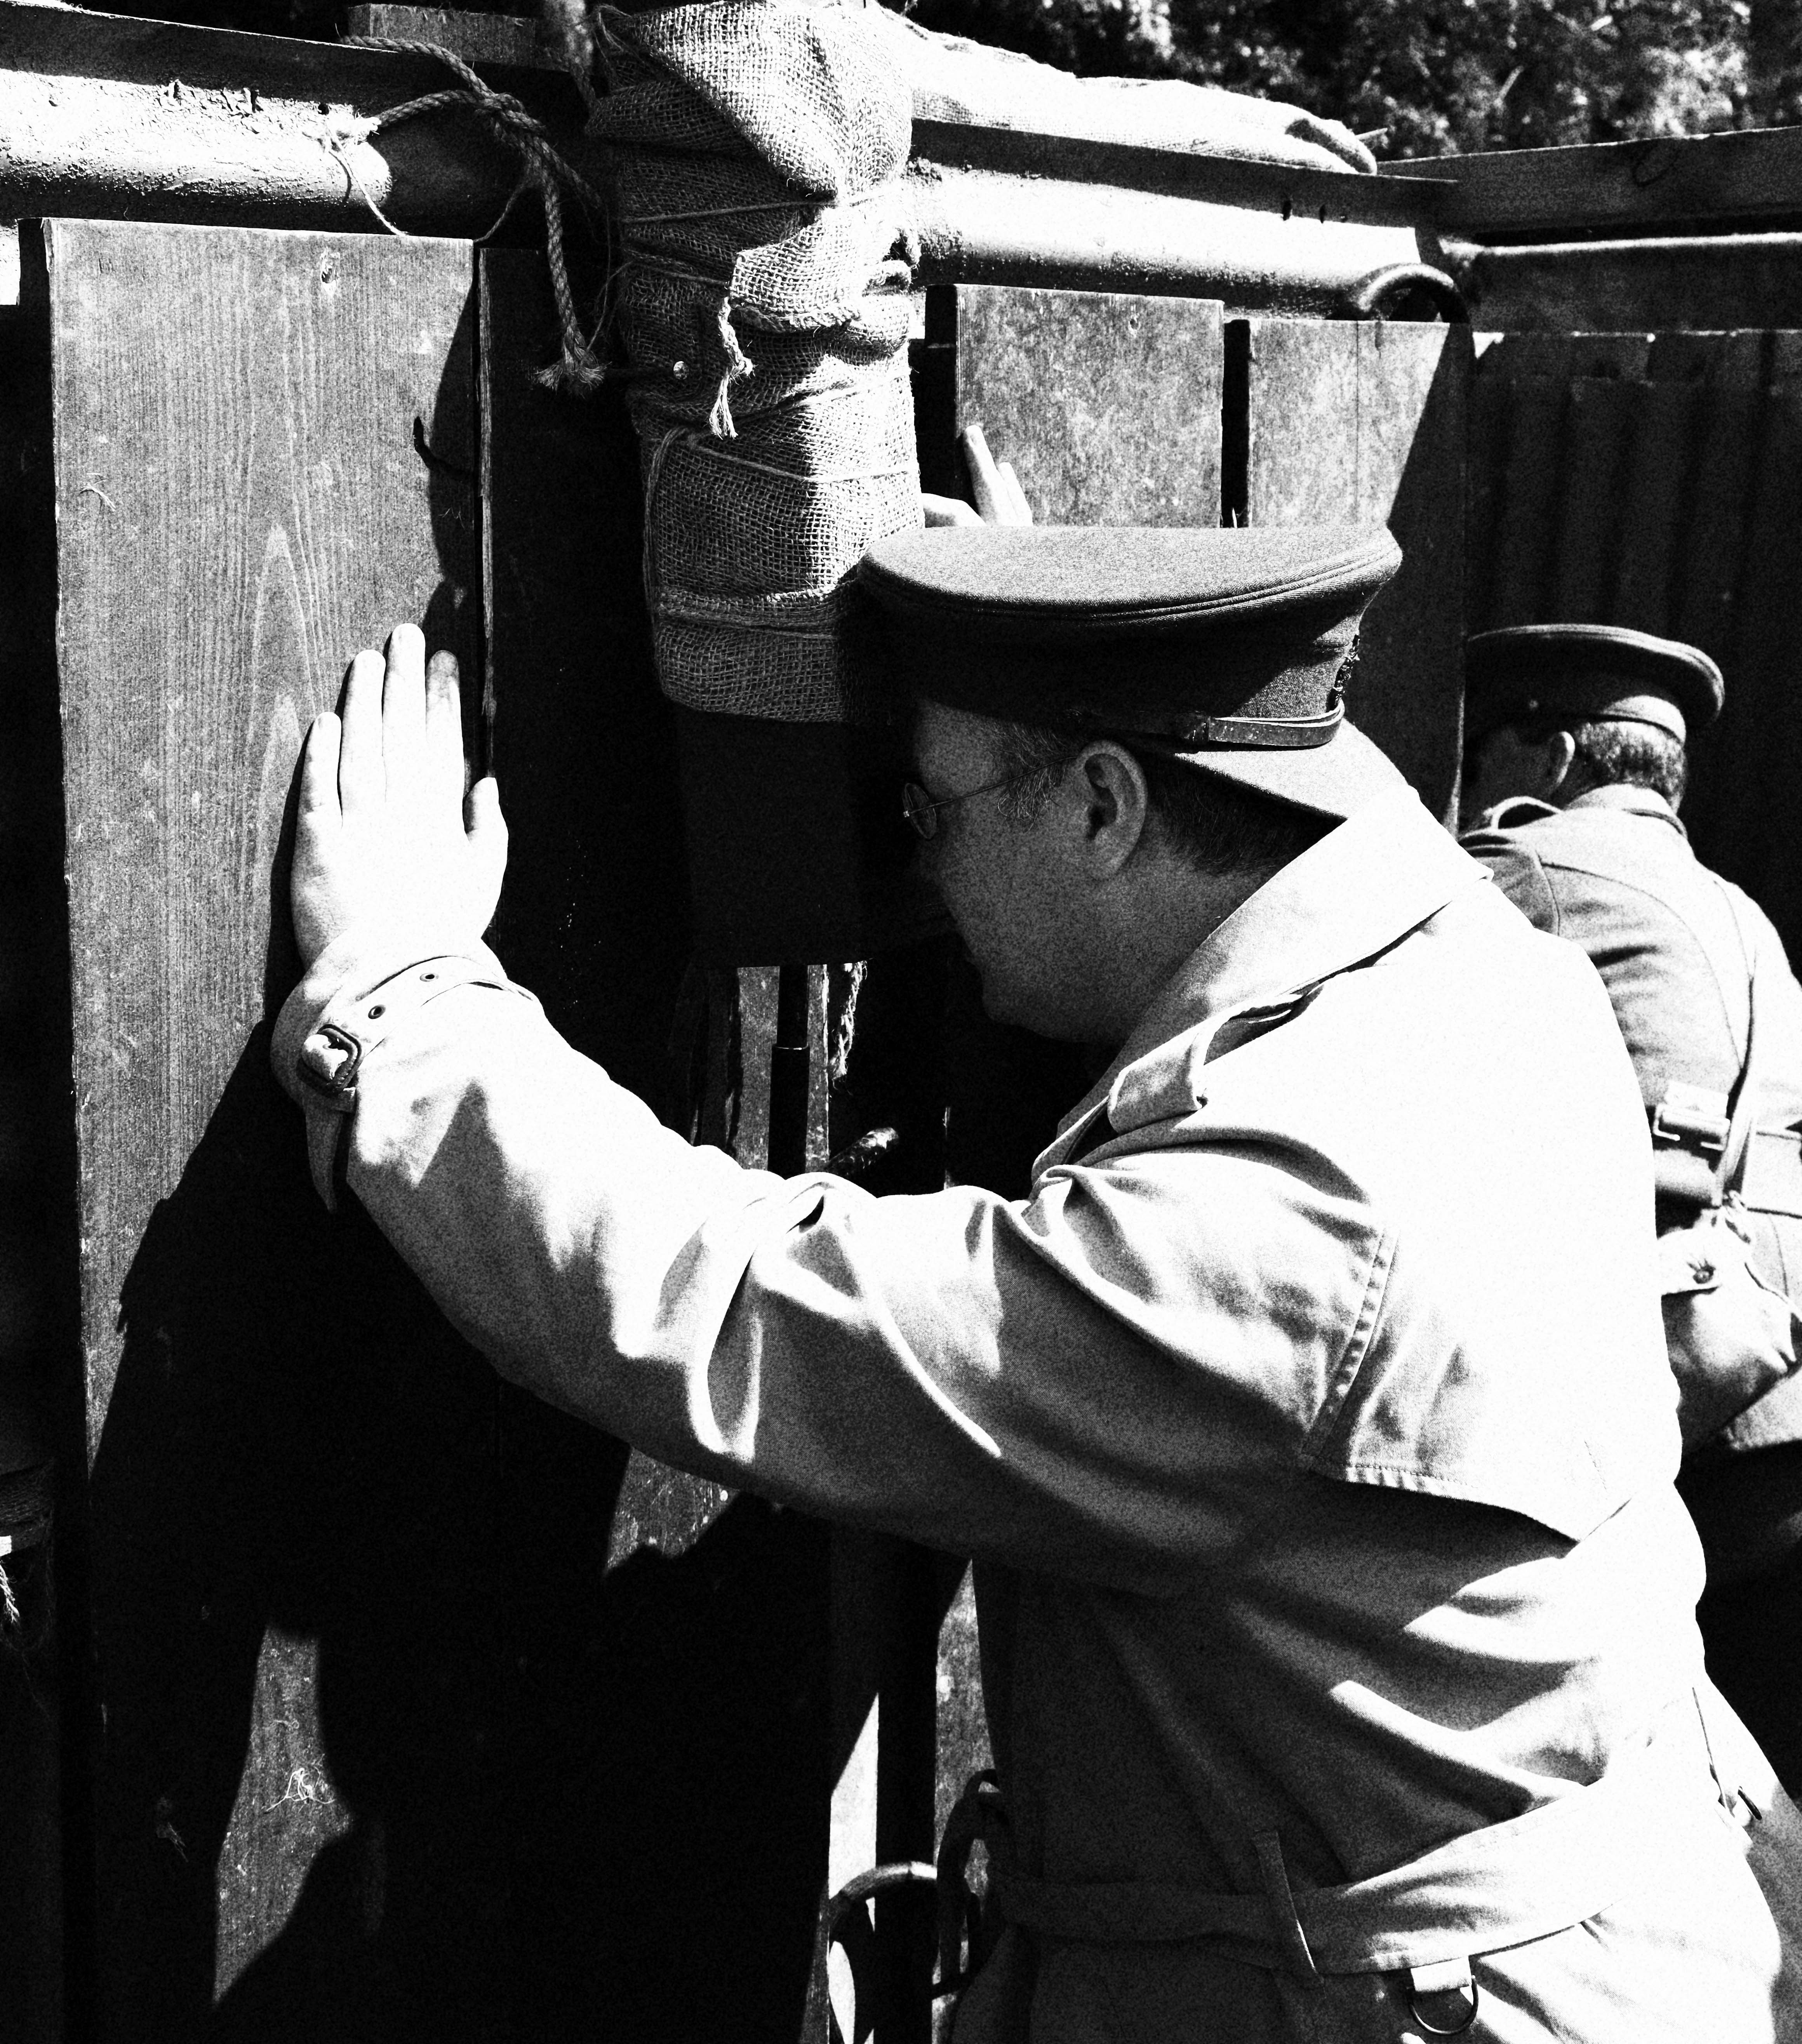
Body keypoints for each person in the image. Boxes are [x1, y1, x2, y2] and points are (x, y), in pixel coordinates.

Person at [275, 530, 1796, 2043]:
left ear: (1103, 807)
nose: (920, 863)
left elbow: (749, 1313)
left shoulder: (1280, 1222)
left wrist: (402, 1008)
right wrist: (1044, 613)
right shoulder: (1481, 966)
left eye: (924, 808)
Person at [1462, 621, 1802, 1786]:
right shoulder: (1748, 922)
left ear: (1551, 756)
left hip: (1682, 1456)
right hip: (1772, 1409)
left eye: (1485, 754)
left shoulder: (1525, 870)